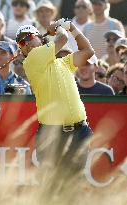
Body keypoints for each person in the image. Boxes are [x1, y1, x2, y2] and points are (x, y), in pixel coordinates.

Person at [15, 20, 94, 170]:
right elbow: (62, 39)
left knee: (72, 184)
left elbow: (88, 51)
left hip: (79, 131)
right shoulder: (32, 60)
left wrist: (73, 28)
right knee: (52, 187)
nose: (26, 43)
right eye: (21, 43)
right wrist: (61, 27)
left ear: (41, 38)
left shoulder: (63, 62)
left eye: (29, 37)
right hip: (52, 134)